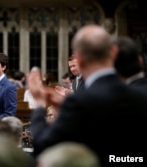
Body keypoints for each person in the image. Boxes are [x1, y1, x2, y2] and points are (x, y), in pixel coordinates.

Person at [27, 25, 147, 166]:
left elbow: (42, 146)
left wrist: (40, 104)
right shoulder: (140, 94)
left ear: (79, 60)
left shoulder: (79, 102)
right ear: (114, 53)